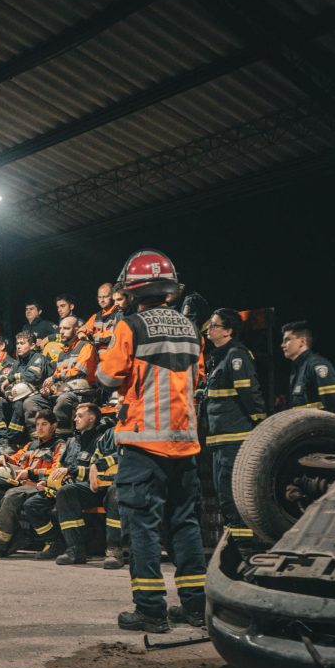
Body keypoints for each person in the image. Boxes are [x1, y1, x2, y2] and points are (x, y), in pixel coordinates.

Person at [97, 249, 206, 634]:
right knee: (185, 525)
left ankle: (151, 610)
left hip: (144, 444)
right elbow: (198, 377)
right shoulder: (191, 328)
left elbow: (108, 377)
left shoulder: (131, 326)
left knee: (141, 528)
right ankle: (196, 608)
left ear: (132, 290)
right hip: (185, 444)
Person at [203, 308, 266, 544]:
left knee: (232, 495)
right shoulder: (218, 357)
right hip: (220, 438)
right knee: (223, 495)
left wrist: (259, 421)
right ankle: (233, 547)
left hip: (234, 437)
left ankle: (245, 549)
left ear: (228, 331)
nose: (209, 329)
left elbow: (249, 393)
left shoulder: (236, 356)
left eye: (214, 325)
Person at [0, 411, 63, 559]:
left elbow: (56, 471)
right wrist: (3, 457)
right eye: (37, 424)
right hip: (22, 486)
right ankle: (17, 535)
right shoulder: (31, 444)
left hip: (41, 487)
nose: (40, 428)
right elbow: (16, 458)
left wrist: (30, 473)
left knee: (11, 495)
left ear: (54, 426)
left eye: (44, 424)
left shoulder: (59, 446)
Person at [48, 403, 116, 565]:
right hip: (94, 485)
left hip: (116, 484)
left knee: (115, 492)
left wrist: (74, 470)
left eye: (80, 416)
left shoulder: (101, 436)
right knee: (66, 491)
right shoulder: (102, 436)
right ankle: (75, 549)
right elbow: (93, 462)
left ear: (91, 418)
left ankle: (115, 549)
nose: (75, 419)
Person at [25, 316, 98, 436]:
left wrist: (55, 377)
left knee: (63, 399)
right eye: (61, 328)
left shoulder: (86, 346)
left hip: (82, 392)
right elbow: (57, 379)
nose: (62, 332)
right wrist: (50, 390)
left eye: (66, 328)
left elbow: (80, 372)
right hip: (63, 391)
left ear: (76, 329)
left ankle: (61, 435)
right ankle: (38, 437)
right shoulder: (62, 353)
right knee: (31, 401)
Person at [281, 321, 335, 417]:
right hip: (306, 425)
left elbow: (334, 404)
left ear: (302, 342)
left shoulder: (317, 365)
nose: (282, 345)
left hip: (321, 426)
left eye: (287, 340)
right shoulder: (298, 368)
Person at [2, 330, 51, 448]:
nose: (18, 346)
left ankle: (13, 441)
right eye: (17, 343)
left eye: (22, 343)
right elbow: (9, 384)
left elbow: (33, 376)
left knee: (20, 404)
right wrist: (8, 393)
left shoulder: (38, 358)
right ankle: (1, 439)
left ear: (32, 345)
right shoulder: (17, 362)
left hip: (40, 394)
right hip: (18, 395)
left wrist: (12, 378)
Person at [79, 283, 119, 354]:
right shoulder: (96, 316)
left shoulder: (118, 314)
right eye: (99, 297)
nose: (102, 300)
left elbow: (112, 336)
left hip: (112, 353)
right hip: (98, 354)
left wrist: (94, 337)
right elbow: (84, 328)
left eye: (105, 297)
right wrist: (81, 333)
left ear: (112, 296)